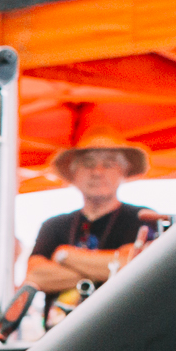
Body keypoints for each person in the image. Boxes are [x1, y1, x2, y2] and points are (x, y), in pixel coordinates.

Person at [26, 130, 156, 310]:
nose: (97, 172)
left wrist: (64, 255)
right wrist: (109, 268)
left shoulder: (142, 218)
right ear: (73, 174)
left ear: (123, 171)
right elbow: (35, 275)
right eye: (88, 164)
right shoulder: (53, 225)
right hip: (59, 331)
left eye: (108, 164)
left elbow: (138, 267)